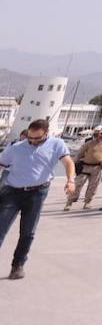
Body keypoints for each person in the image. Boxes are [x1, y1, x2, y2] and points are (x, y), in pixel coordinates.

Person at [0, 119, 74, 280]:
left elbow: (68, 162)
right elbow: (1, 164)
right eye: (30, 138)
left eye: (37, 138)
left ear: (46, 134)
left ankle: (17, 266)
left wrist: (70, 180)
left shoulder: (57, 144)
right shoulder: (16, 148)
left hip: (37, 193)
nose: (32, 141)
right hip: (12, 192)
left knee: (27, 232)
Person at [67, 128, 102, 210]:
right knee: (77, 184)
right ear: (98, 134)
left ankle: (87, 202)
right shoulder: (89, 143)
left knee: (93, 186)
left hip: (98, 168)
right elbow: (80, 153)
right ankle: (69, 202)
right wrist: (72, 165)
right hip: (85, 166)